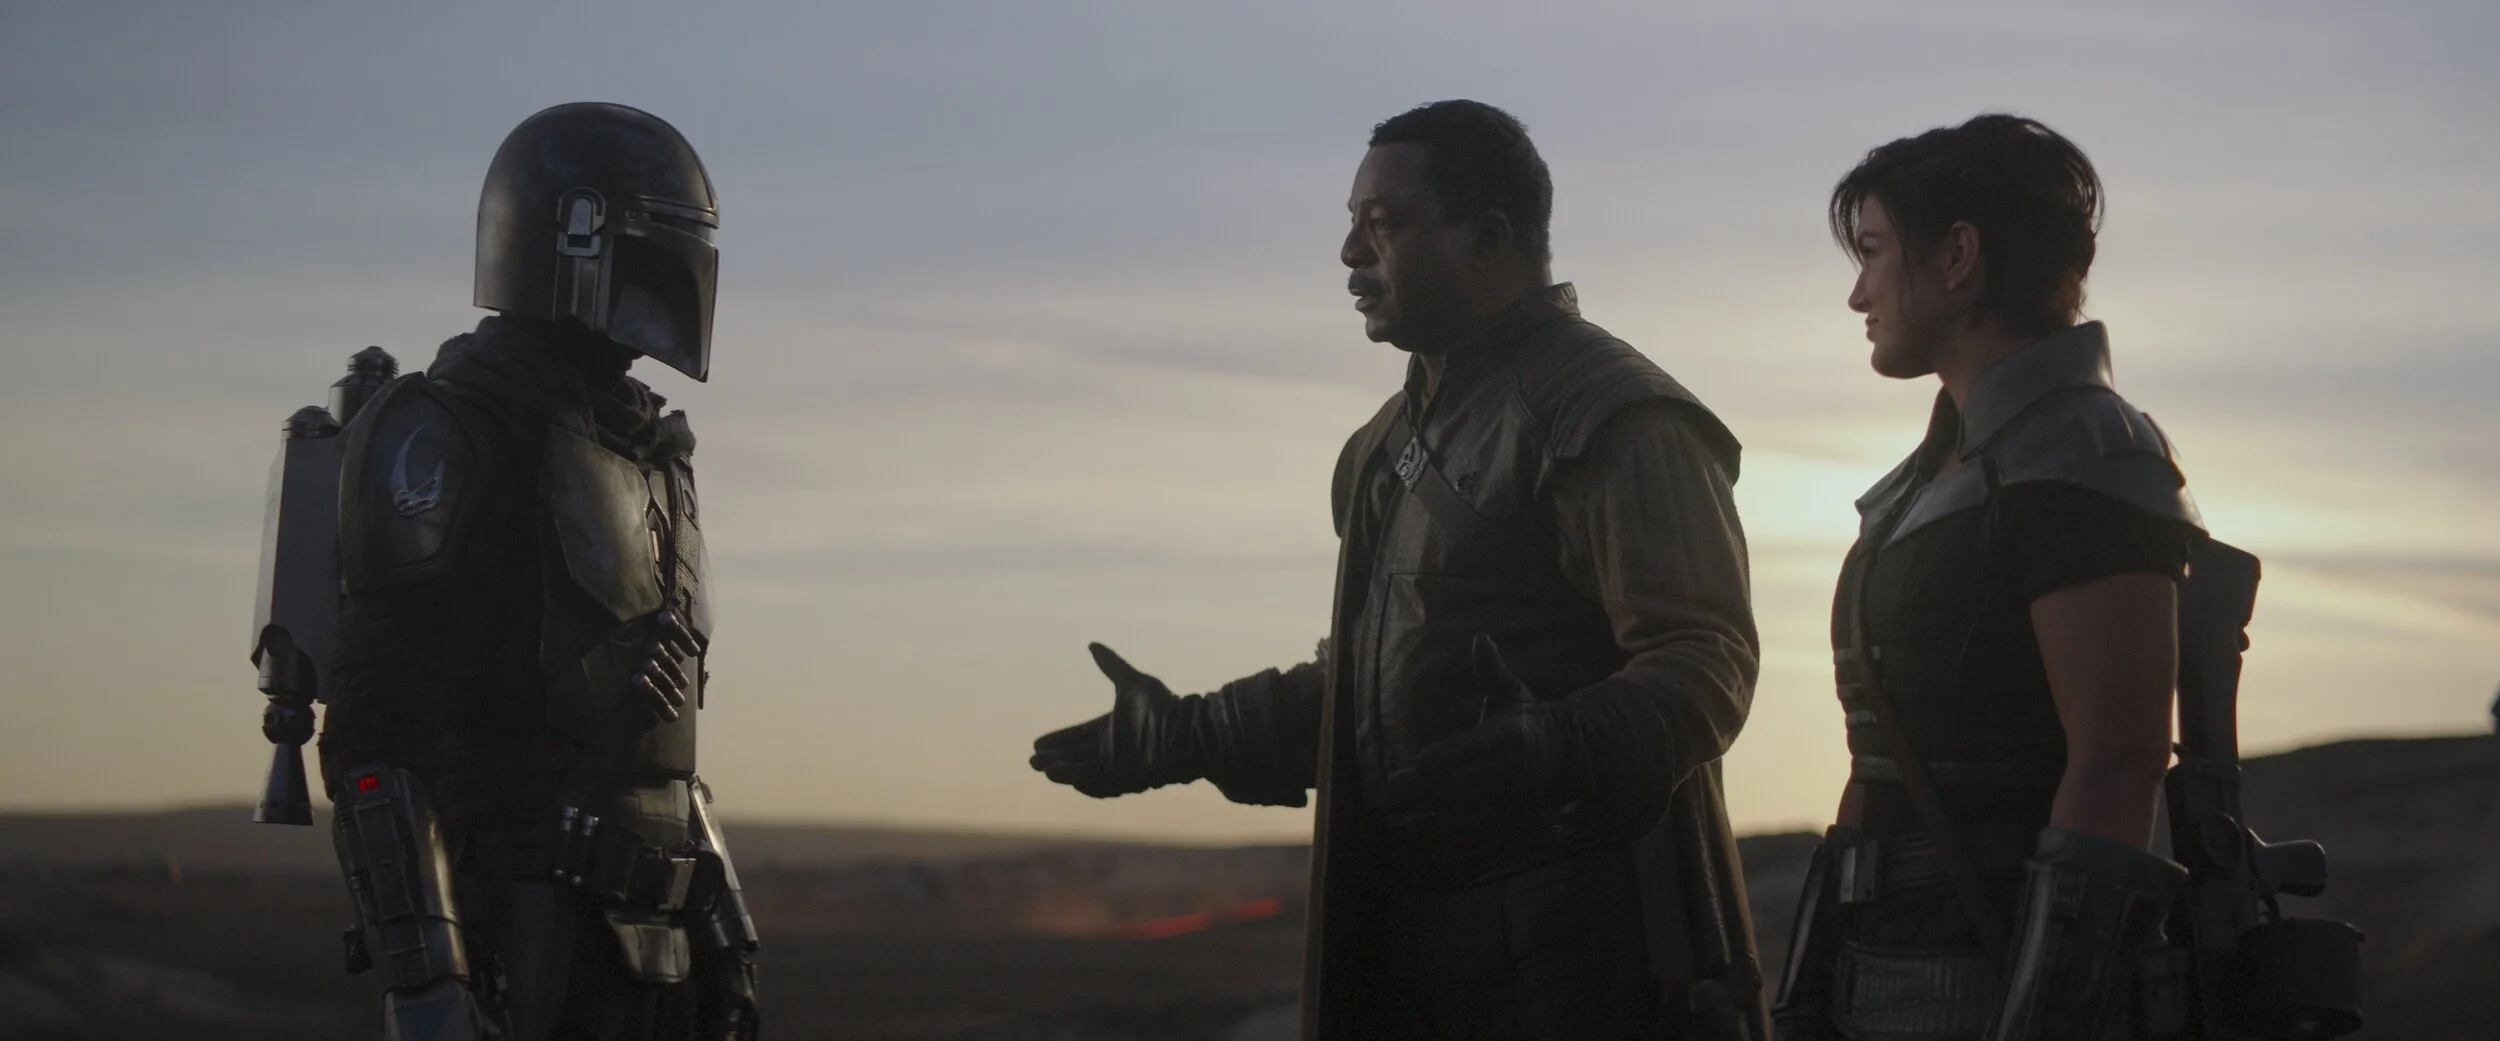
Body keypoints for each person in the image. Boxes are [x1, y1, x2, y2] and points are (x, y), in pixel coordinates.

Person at [1030, 99, 1768, 1041]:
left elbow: (1704, 659)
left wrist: (1555, 748)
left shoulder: (1614, 416)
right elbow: (1376, 689)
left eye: (1382, 225)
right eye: (1352, 224)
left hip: (1588, 958)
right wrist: (1190, 734)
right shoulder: (1385, 445)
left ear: (1487, 239)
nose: (1350, 255)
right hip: (1422, 955)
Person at [316, 102, 759, 1041]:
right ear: (577, 235)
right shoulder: (459, 431)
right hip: (525, 948)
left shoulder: (652, 453)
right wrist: (430, 980)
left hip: (656, 961)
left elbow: (661, 754)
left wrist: (726, 937)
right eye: (659, 240)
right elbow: (376, 740)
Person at [1772, 115, 2204, 1041]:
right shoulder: (1925, 484)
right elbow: (1876, 762)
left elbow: (2117, 761)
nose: (1857, 293)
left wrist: (2039, 1021)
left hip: (1990, 985)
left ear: (1958, 255)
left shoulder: (2084, 454)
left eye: (1874, 251)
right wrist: (1808, 999)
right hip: (1877, 980)